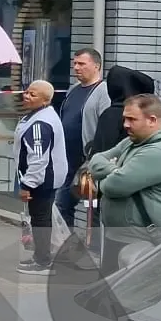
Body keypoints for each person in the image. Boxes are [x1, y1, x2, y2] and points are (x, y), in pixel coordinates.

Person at [86, 94, 161, 275]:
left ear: (152, 120)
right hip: (120, 238)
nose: (125, 124)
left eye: (132, 119)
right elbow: (96, 160)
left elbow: (113, 187)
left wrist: (108, 177)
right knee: (107, 298)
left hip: (141, 242)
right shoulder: (132, 142)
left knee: (129, 300)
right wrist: (117, 170)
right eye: (125, 118)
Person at [53, 48, 108, 267]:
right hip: (67, 157)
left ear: (96, 66)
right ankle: (63, 247)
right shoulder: (73, 90)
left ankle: (94, 251)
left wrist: (96, 154)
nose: (76, 68)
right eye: (75, 63)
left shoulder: (102, 91)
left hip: (87, 158)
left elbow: (103, 125)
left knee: (91, 205)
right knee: (63, 202)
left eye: (82, 64)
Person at [13, 80, 67, 275]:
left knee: (40, 220)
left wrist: (27, 184)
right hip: (44, 177)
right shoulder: (37, 116)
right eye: (26, 92)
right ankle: (40, 257)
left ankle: (43, 262)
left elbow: (38, 159)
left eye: (33, 94)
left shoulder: (40, 123)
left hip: (43, 179)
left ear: (45, 100)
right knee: (40, 218)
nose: (26, 96)